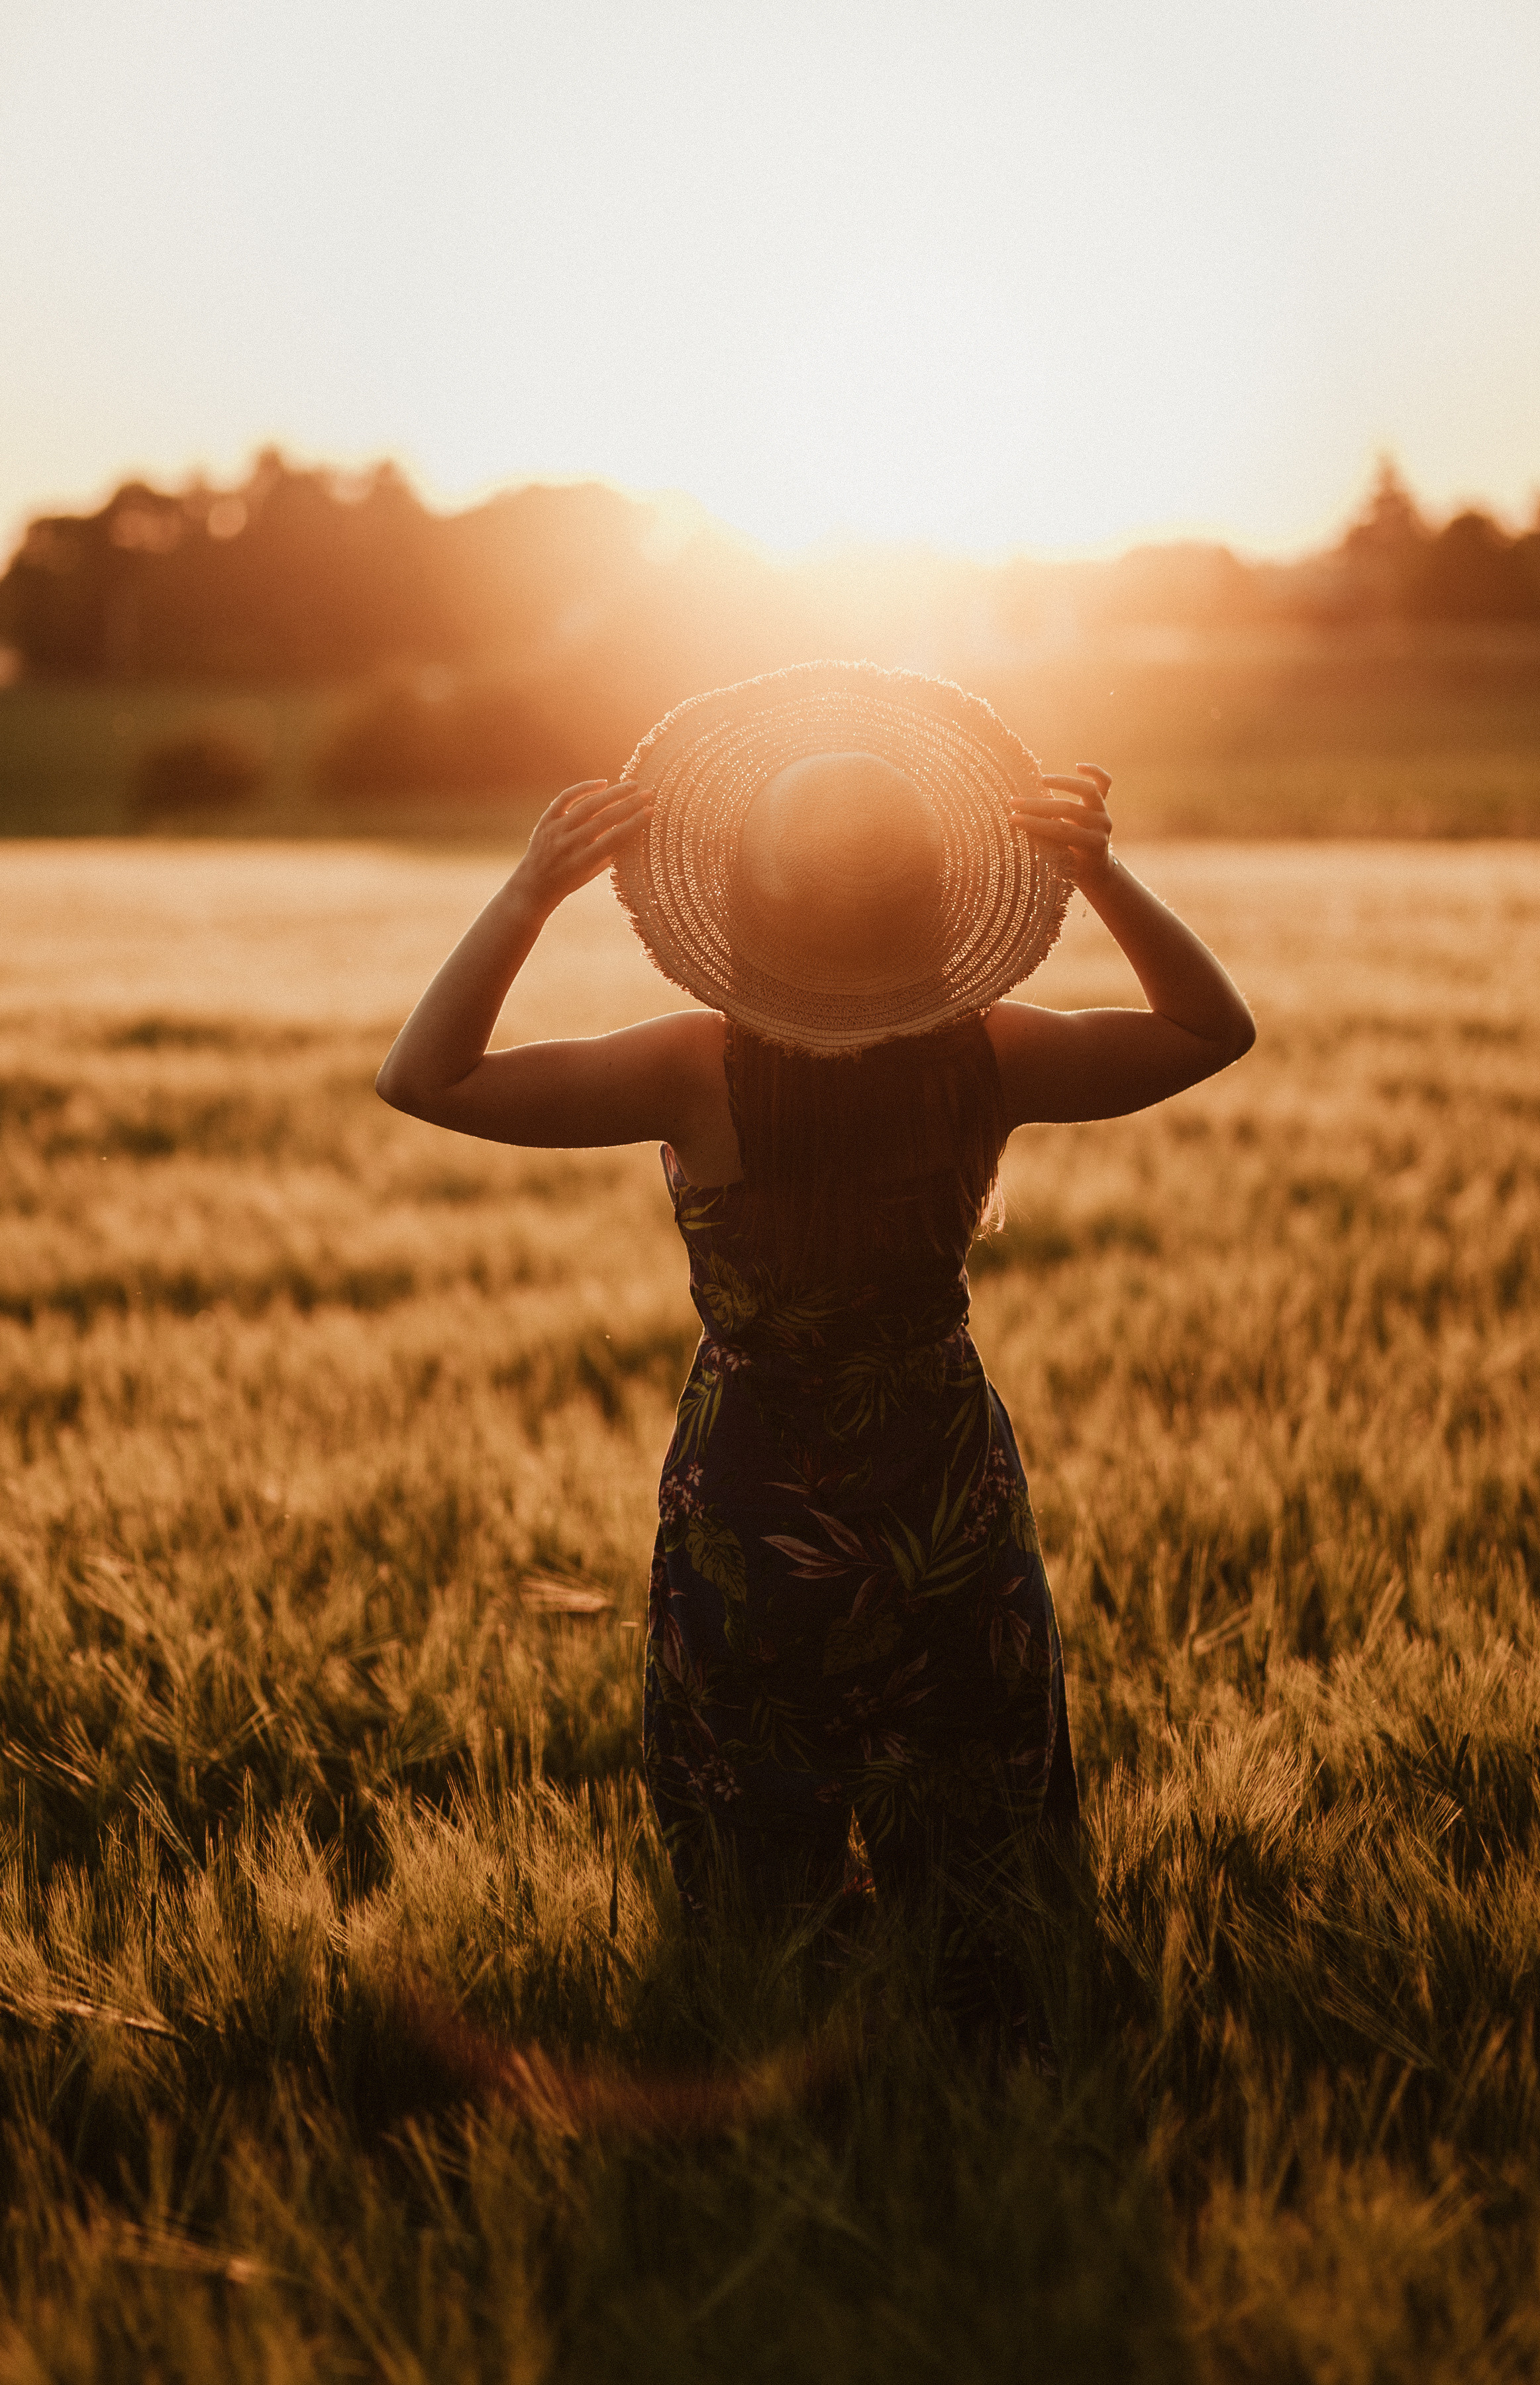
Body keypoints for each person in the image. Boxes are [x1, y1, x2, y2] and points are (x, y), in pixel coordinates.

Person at [378, 661, 1255, 2027]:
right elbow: (1214, 1028)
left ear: (736, 904)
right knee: (983, 1827)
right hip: (944, 1489)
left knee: (751, 1848)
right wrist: (1098, 875)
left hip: (750, 1503)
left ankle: (776, 2064)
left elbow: (424, 1078)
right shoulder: (993, 1053)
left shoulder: (692, 1068)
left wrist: (530, 891)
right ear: (938, 905)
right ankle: (995, 2065)